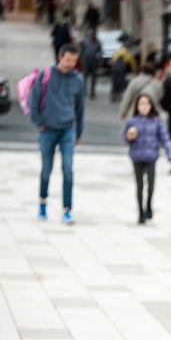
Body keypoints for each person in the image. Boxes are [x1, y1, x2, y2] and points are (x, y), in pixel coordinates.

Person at [30, 43, 85, 225]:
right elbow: (34, 101)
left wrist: (78, 133)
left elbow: (80, 109)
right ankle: (43, 202)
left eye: (74, 61)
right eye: (68, 59)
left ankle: (67, 210)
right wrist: (40, 124)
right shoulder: (45, 76)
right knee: (47, 169)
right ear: (60, 57)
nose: (71, 63)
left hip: (68, 130)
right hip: (48, 130)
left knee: (68, 170)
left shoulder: (77, 80)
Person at [122, 94, 171, 224]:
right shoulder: (132, 121)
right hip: (137, 156)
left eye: (147, 103)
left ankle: (149, 205)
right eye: (141, 104)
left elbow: (165, 138)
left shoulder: (156, 121)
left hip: (151, 156)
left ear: (151, 105)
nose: (144, 106)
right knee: (139, 185)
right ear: (137, 106)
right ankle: (141, 211)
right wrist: (129, 137)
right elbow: (124, 139)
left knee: (151, 184)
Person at [81, 30, 102, 99]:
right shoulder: (85, 42)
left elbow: (100, 52)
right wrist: (81, 60)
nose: (94, 36)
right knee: (85, 76)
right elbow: (82, 51)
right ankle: (84, 90)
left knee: (94, 77)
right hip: (86, 62)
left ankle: (92, 91)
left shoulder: (97, 43)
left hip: (94, 62)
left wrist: (99, 60)